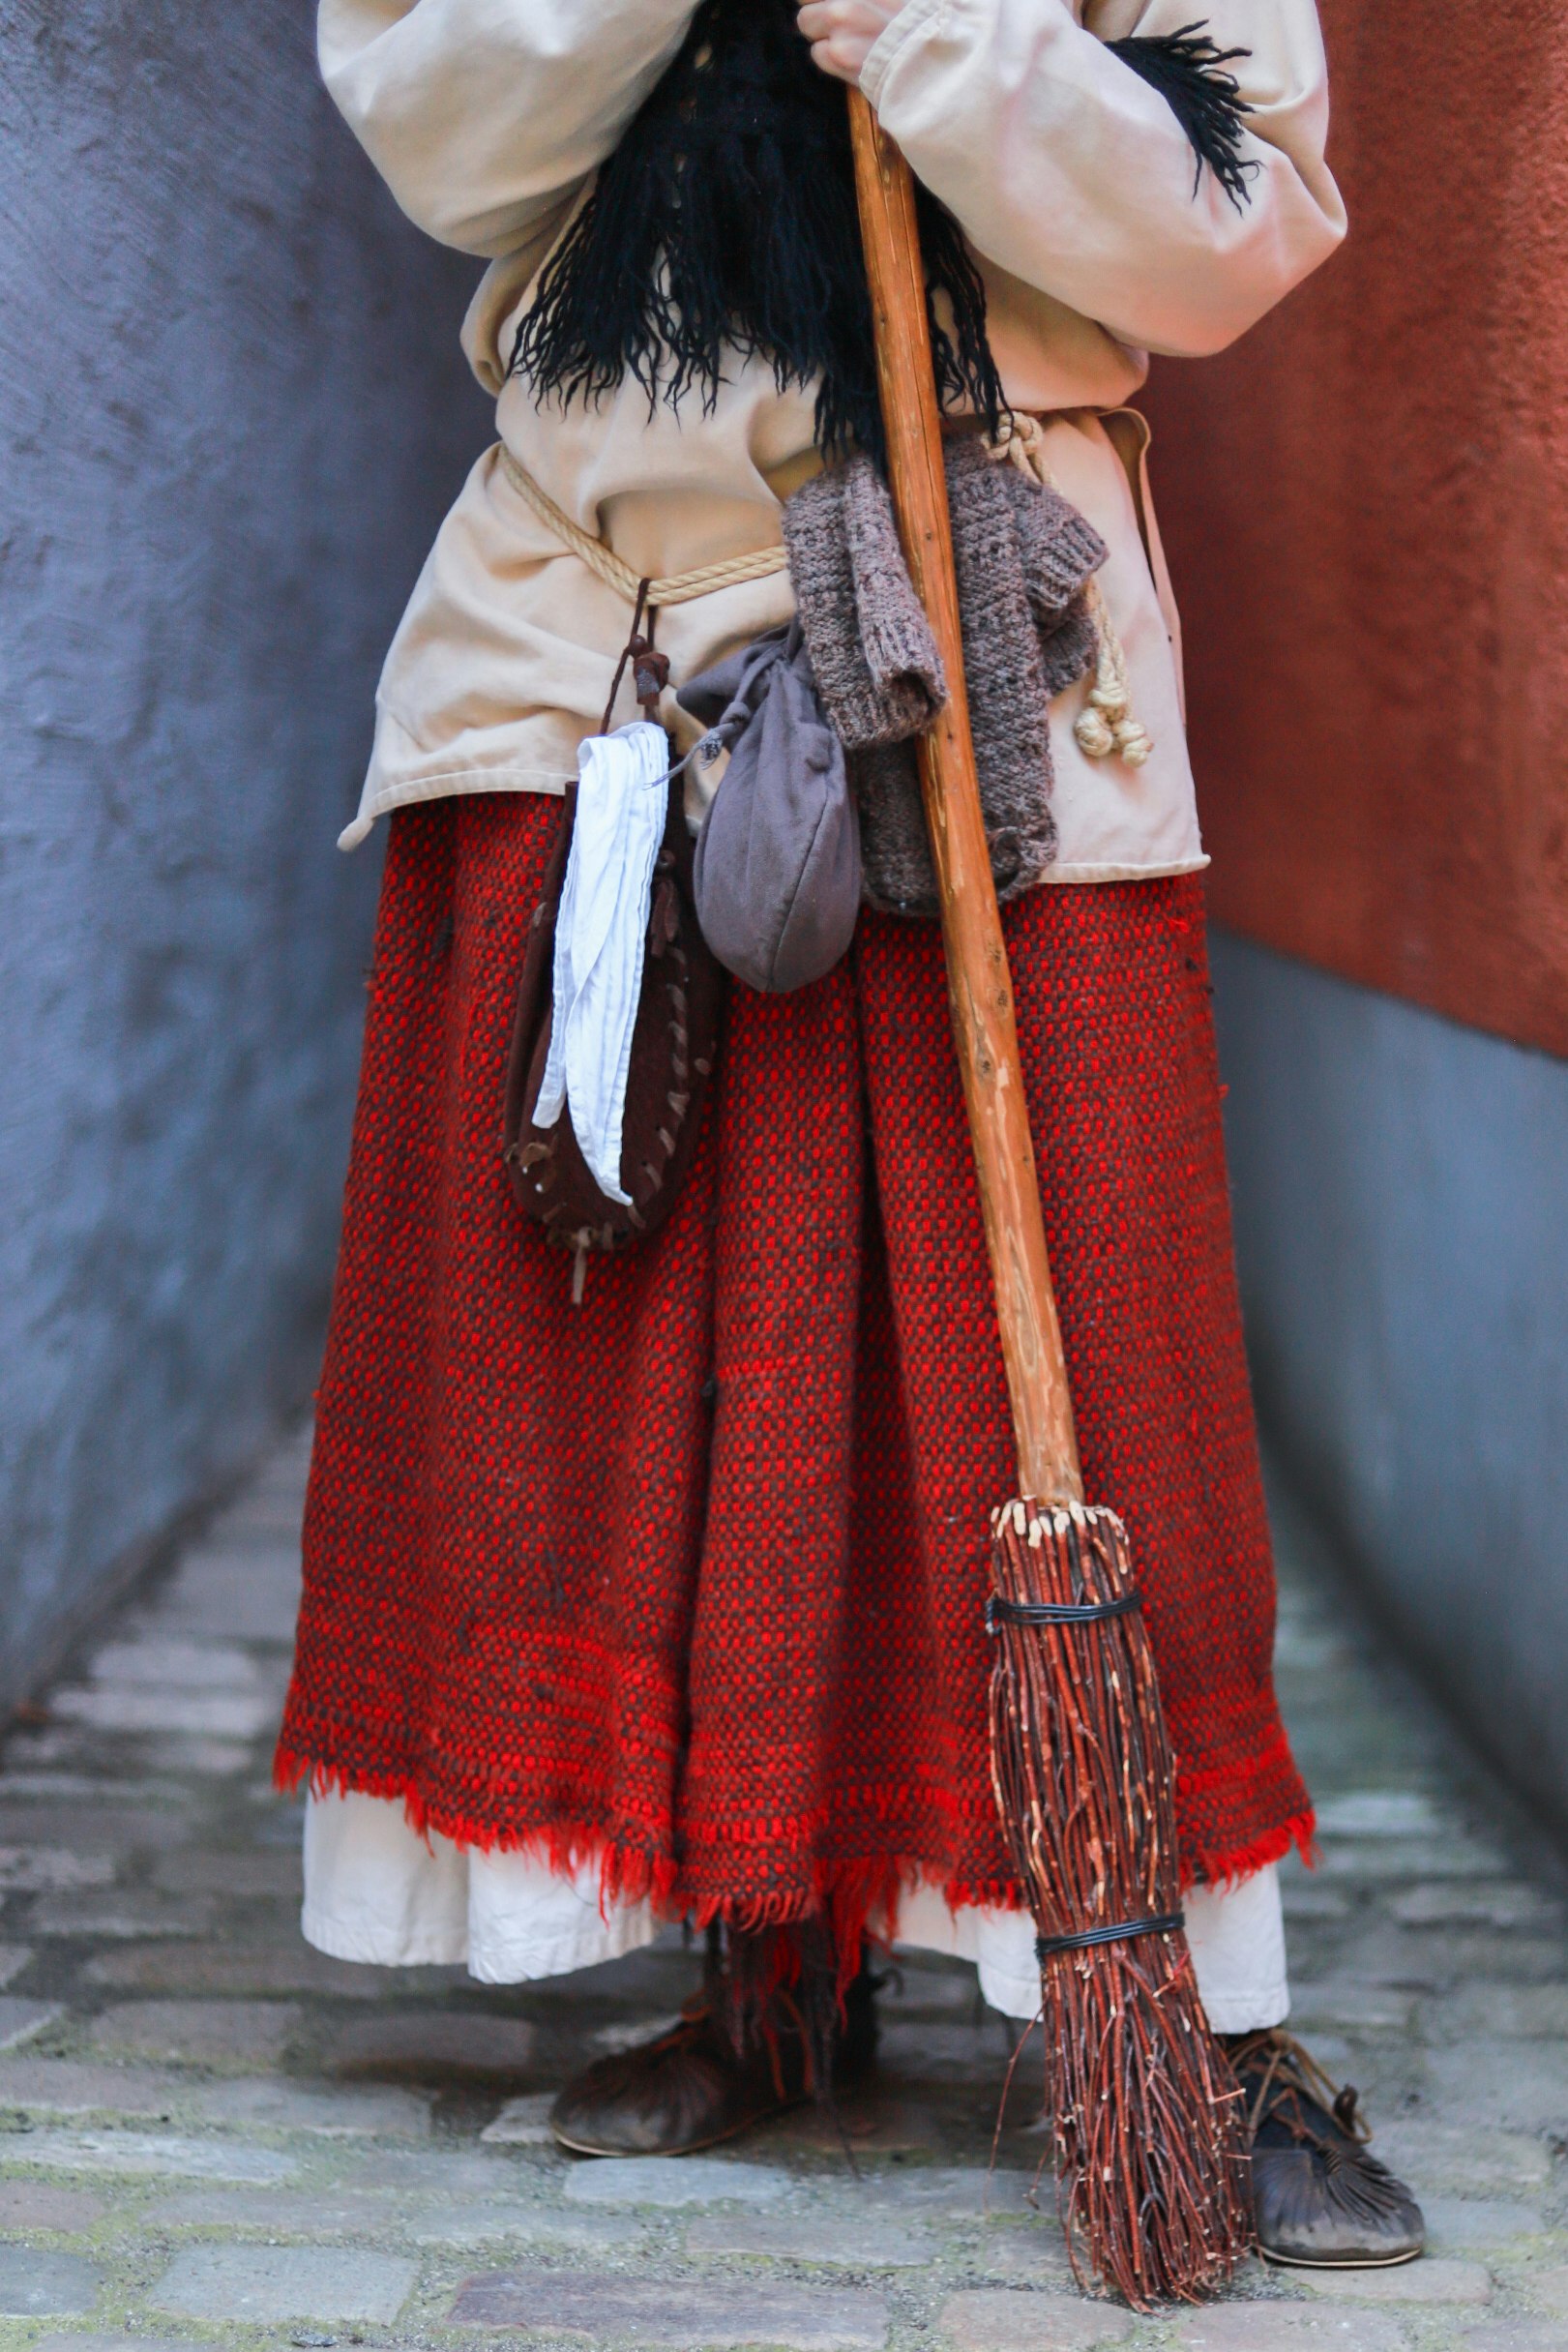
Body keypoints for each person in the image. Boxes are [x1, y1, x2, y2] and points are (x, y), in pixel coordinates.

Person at [278, 0, 1425, 2270]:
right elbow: (431, 126)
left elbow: (1234, 217)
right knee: (661, 1377)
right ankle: (766, 1955)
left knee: (1095, 1390)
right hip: (597, 644)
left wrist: (938, 32)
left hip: (1004, 647)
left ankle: (1193, 2019)